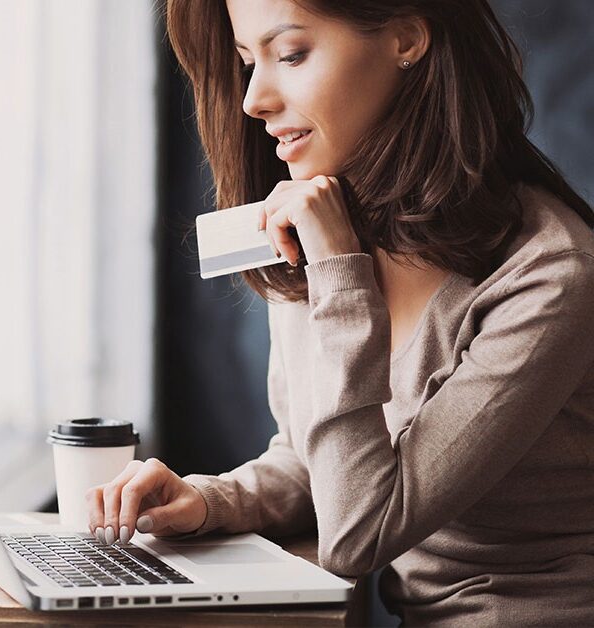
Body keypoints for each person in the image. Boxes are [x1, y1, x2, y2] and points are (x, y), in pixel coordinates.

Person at [85, 0, 594, 625]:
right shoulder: (330, 226)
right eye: (248, 63)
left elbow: (358, 534)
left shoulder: (551, 274)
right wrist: (210, 500)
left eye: (291, 54)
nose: (254, 99)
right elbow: (319, 460)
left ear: (405, 38)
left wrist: (338, 277)